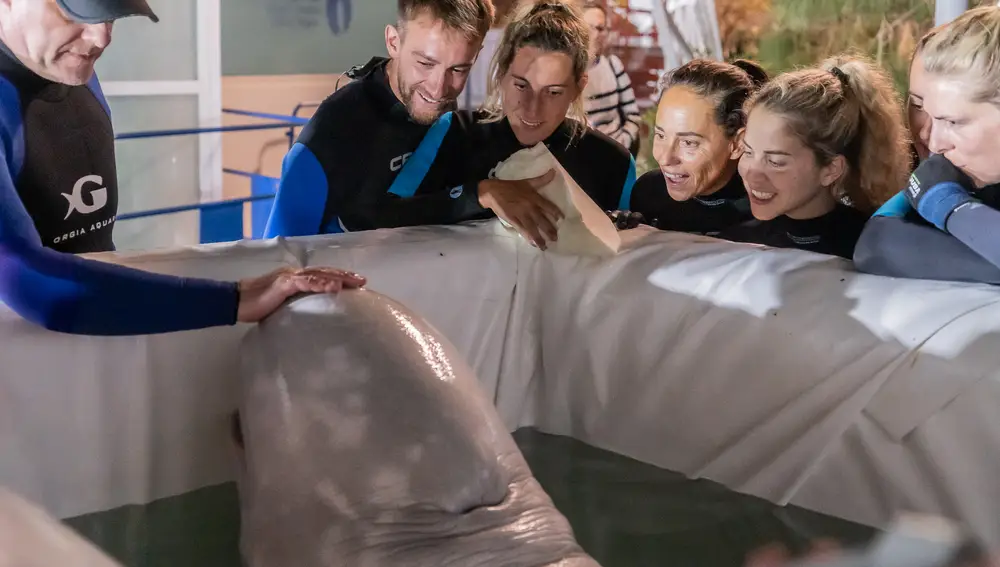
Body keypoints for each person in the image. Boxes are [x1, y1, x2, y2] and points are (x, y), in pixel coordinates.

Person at [0, 0, 364, 336]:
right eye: (75, 13)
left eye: (108, 14)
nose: (101, 37)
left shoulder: (64, 65)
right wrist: (235, 299)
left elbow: (85, 254)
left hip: (79, 354)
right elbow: (28, 280)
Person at [263, 0, 497, 237]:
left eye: (458, 70)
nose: (439, 90)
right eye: (425, 63)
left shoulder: (445, 114)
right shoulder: (332, 133)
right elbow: (279, 256)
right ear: (393, 42)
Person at [452, 0, 637, 248]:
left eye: (553, 92)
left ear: (578, 88)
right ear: (501, 73)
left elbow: (625, 260)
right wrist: (480, 193)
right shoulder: (454, 135)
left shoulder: (612, 163)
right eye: (521, 85)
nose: (532, 108)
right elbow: (390, 218)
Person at [854, 6, 1000, 284]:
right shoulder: (955, 176)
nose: (934, 141)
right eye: (919, 106)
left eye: (954, 122)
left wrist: (949, 208)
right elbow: (876, 244)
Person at [716, 54, 911, 260]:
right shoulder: (734, 243)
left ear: (831, 170)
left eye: (775, 162)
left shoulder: (875, 249)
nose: (751, 174)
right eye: (747, 152)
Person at [626, 58, 766, 236]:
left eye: (689, 142)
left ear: (738, 143)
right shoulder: (648, 194)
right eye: (661, 135)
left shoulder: (768, 211)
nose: (664, 158)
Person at [580, 0, 642, 156]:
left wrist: (624, 141)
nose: (597, 34)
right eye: (591, 27)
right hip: (581, 154)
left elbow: (633, 114)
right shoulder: (566, 70)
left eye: (602, 29)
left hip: (617, 151)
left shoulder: (613, 65)